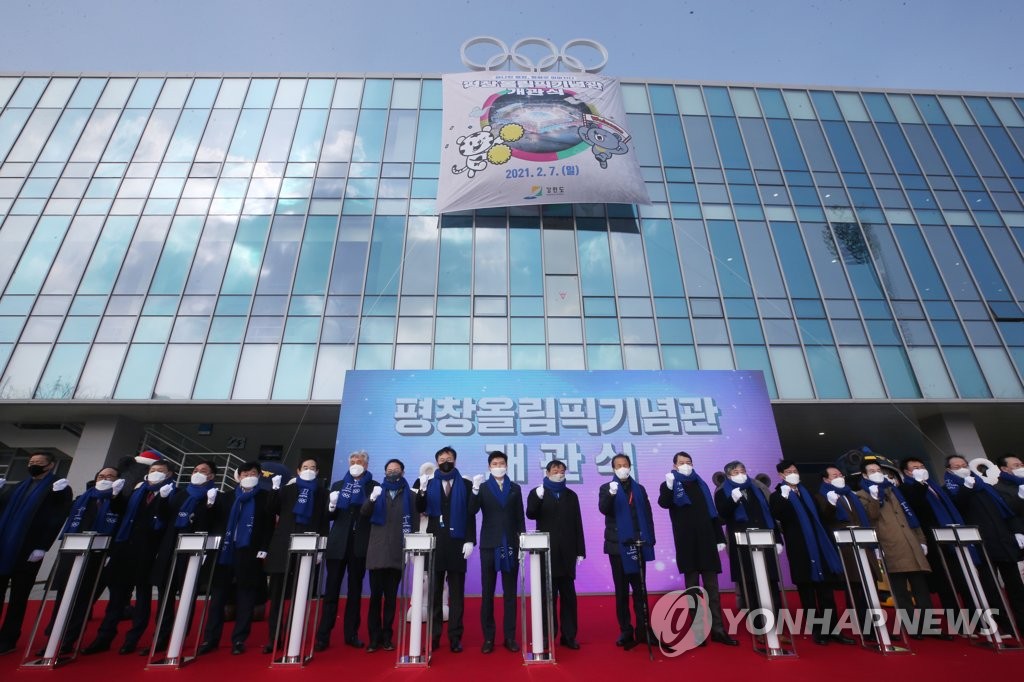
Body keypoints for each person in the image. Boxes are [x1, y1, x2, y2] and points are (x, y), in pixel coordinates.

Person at [82, 459, 176, 655]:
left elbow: (167, 519)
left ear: (169, 475)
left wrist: (164, 500)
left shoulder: (174, 494)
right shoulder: (136, 492)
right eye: (152, 470)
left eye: (160, 471)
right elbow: (120, 513)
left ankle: (132, 639)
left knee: (142, 598)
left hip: (150, 552)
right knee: (116, 598)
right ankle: (104, 637)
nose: (155, 473)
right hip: (124, 548)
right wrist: (115, 496)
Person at [657, 451, 737, 646]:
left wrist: (719, 537)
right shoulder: (670, 483)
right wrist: (668, 486)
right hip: (687, 544)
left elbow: (712, 513)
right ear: (674, 466)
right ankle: (698, 632)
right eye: (682, 462)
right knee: (693, 591)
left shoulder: (701, 484)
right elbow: (664, 503)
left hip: (707, 541)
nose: (686, 465)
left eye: (689, 462)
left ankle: (718, 630)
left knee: (713, 590)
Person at [146, 460, 225, 655]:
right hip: (171, 548)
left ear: (212, 477)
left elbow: (214, 523)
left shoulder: (215, 496)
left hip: (194, 552)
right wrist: (163, 500)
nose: (198, 473)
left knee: (187, 595)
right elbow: (164, 519)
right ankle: (161, 637)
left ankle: (180, 635)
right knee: (165, 596)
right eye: (196, 470)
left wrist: (210, 506)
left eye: (204, 471)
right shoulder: (180, 494)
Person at [43, 467, 124, 655]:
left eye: (110, 476)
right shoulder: (83, 498)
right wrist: (56, 495)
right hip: (73, 551)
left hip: (99, 555)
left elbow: (121, 513)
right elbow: (60, 512)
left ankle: (69, 640)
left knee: (83, 598)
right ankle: (53, 638)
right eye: (102, 476)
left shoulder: (119, 500)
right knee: (63, 596)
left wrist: (116, 496)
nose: (105, 479)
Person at [769, 460, 851, 645]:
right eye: (789, 471)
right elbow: (779, 516)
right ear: (781, 475)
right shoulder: (777, 496)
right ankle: (817, 630)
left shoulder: (808, 494)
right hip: (800, 548)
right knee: (807, 593)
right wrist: (783, 498)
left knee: (826, 592)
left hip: (820, 546)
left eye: (795, 470)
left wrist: (830, 505)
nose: (793, 473)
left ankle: (833, 629)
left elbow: (822, 518)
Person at [0, 453, 72, 655]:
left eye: (39, 463)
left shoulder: (58, 487)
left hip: (29, 548)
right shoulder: (18, 486)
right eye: (31, 463)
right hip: (4, 545)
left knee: (19, 596)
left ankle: (9, 637)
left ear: (50, 465)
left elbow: (56, 517)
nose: (34, 466)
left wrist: (43, 545)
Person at [200, 462, 274, 655]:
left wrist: (264, 548)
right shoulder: (226, 497)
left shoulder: (265, 498)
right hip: (225, 551)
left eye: (254, 473)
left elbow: (268, 526)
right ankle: (210, 638)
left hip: (249, 551)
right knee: (218, 598)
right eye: (246, 473)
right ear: (238, 476)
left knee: (246, 596)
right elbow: (212, 522)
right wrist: (208, 506)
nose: (249, 475)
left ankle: (239, 639)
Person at [943, 455, 1024, 632]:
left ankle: (1022, 623)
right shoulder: (950, 489)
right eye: (957, 467)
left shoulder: (985, 486)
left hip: (1002, 539)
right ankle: (1003, 626)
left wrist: (1016, 531)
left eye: (964, 465)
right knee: (991, 587)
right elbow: (957, 508)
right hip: (980, 543)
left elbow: (1005, 510)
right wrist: (966, 489)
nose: (962, 468)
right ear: (949, 470)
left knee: (1015, 585)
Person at [856, 458, 932, 636]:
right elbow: (870, 517)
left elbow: (909, 516)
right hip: (889, 543)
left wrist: (921, 539)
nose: (877, 473)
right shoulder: (861, 494)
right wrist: (875, 498)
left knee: (921, 587)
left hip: (910, 542)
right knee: (900, 591)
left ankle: (929, 626)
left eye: (878, 470)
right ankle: (912, 627)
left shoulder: (893, 490)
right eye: (872, 471)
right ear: (864, 475)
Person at [265, 458, 329, 654]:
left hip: (308, 545)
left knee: (300, 594)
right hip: (282, 545)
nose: (309, 470)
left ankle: (295, 634)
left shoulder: (323, 493)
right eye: (305, 467)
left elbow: (324, 521)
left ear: (317, 472)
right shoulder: (288, 489)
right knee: (276, 595)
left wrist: (321, 548)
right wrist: (274, 489)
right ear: (298, 470)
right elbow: (271, 510)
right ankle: (274, 638)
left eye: (312, 468)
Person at [415, 446, 476, 653]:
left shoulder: (466, 485)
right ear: (437, 461)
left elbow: (470, 514)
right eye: (441, 459)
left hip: (458, 543)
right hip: (436, 541)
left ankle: (455, 637)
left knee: (457, 594)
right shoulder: (428, 483)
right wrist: (422, 490)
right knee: (434, 592)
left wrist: (470, 540)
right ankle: (434, 635)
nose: (445, 461)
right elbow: (419, 508)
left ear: (455, 461)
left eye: (449, 458)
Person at [316, 450, 374, 651]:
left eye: (359, 461)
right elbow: (329, 516)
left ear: (366, 465)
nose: (356, 463)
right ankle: (323, 635)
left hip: (359, 544)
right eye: (353, 460)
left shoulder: (372, 486)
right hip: (338, 543)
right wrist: (332, 505)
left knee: (355, 591)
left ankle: (351, 634)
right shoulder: (338, 485)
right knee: (331, 591)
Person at [598, 453, 655, 651]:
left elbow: (647, 515)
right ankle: (625, 629)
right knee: (621, 591)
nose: (622, 468)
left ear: (630, 467)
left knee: (640, 589)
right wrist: (612, 495)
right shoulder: (606, 488)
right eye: (618, 465)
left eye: (625, 465)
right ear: (613, 469)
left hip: (638, 544)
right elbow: (604, 509)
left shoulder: (639, 489)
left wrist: (651, 539)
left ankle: (644, 628)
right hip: (617, 546)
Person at [525, 460, 585, 650]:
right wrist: (538, 498)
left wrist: (580, 550)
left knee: (569, 598)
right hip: (547, 553)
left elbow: (578, 524)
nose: (559, 473)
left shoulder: (571, 495)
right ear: (547, 472)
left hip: (567, 554)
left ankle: (569, 636)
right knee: (547, 598)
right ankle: (546, 636)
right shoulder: (538, 492)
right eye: (555, 470)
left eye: (562, 470)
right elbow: (531, 514)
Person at [470, 451, 525, 654]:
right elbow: (471, 510)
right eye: (495, 463)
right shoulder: (483, 488)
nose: (498, 466)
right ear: (489, 467)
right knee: (487, 594)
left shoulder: (515, 488)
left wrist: (523, 542)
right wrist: (474, 490)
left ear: (507, 466)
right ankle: (489, 638)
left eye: (502, 463)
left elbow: (520, 517)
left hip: (510, 544)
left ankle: (509, 637)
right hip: (489, 545)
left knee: (510, 594)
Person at [715, 460, 781, 619]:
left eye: (742, 471)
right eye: (735, 472)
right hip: (742, 545)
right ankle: (758, 626)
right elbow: (722, 515)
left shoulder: (756, 488)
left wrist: (778, 539)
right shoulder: (722, 491)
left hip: (765, 540)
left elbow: (769, 514)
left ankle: (777, 625)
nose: (740, 474)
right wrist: (732, 499)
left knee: (771, 583)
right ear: (728, 475)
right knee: (749, 584)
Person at [360, 458, 414, 652]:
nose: (393, 472)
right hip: (377, 551)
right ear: (384, 473)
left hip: (397, 552)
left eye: (396, 469)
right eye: (390, 470)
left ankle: (387, 636)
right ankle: (374, 638)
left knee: (391, 598)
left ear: (403, 472)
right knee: (375, 597)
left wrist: (411, 549)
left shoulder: (409, 494)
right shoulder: (377, 491)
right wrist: (372, 498)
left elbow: (414, 521)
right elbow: (364, 512)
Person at [815, 465, 873, 637]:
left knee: (869, 584)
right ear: (826, 479)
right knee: (854, 585)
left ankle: (874, 625)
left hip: (862, 542)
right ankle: (862, 625)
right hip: (843, 546)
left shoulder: (851, 494)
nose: (839, 477)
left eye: (840, 474)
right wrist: (831, 503)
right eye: (834, 475)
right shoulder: (821, 496)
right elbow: (825, 518)